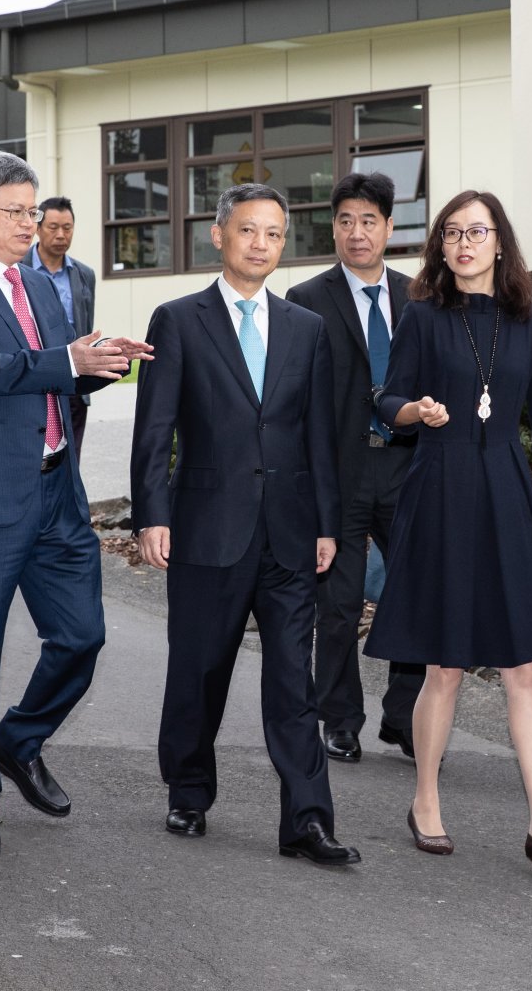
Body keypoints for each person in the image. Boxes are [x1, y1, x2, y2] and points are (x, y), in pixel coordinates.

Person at [0, 149, 150, 857]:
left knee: (82, 637)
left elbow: (56, 376)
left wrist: (102, 363)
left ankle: (17, 741)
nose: (30, 223)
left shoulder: (44, 286)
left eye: (33, 210)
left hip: (55, 493)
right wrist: (67, 360)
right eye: (16, 212)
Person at [364, 190, 532, 871]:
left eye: (477, 232)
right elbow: (387, 400)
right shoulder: (423, 315)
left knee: (525, 666)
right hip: (441, 488)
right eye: (452, 233)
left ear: (500, 242)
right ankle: (425, 801)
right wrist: (417, 411)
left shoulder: (530, 320)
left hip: (507, 492)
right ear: (441, 245)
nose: (463, 244)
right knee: (446, 664)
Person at [132, 183, 358, 866]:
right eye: (249, 230)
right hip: (207, 528)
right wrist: (152, 515)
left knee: (293, 682)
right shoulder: (178, 320)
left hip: (289, 533)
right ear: (220, 235)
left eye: (275, 234)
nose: (262, 244)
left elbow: (318, 436)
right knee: (199, 670)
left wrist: (326, 524)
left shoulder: (305, 328)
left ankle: (307, 821)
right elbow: (155, 429)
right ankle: (188, 790)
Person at [284, 172, 424, 764]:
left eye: (369, 221)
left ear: (389, 228)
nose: (357, 232)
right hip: (339, 470)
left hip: (408, 465)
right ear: (333, 229)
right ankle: (339, 717)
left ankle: (405, 715)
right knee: (338, 604)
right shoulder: (305, 300)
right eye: (345, 221)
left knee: (416, 592)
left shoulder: (420, 296)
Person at [22, 196, 96, 460]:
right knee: (32, 458)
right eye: (53, 227)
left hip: (73, 378)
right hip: (31, 376)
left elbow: (86, 325)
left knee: (71, 459)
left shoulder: (84, 274)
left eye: (67, 227)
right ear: (38, 228)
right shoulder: (18, 268)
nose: (61, 235)